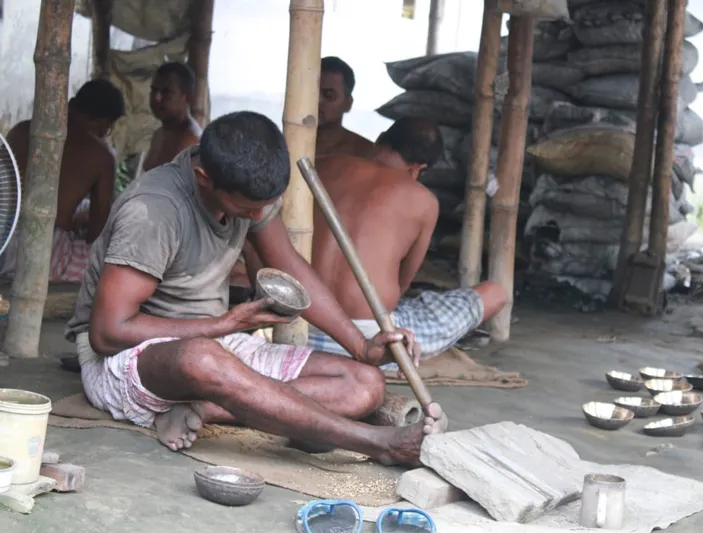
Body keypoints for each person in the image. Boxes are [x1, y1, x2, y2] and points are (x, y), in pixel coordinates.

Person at [64, 111, 445, 466]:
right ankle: (378, 443)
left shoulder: (250, 194)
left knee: (365, 385)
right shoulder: (153, 211)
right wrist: (221, 325)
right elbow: (108, 334)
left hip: (214, 346)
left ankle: (208, 407)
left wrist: (361, 346)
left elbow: (289, 264)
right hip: (128, 360)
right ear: (204, 178)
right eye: (247, 209)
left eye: (264, 207)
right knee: (200, 359)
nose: (256, 217)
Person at [306, 118, 508, 362]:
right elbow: (403, 284)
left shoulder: (324, 165)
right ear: (418, 170)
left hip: (298, 321)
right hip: (371, 340)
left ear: (379, 140)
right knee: (495, 293)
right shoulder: (424, 201)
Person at [0, 79, 124, 282]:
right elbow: (98, 233)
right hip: (43, 255)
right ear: (104, 124)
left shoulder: (21, 130)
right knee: (107, 264)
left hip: (4, 236)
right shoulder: (102, 155)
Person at [141, 62, 202, 172]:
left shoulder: (190, 143)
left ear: (188, 98)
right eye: (154, 90)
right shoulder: (160, 133)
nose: (156, 98)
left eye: (166, 92)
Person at [316, 56, 374, 159]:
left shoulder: (366, 153)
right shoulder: (286, 145)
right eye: (312, 94)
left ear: (348, 103)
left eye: (329, 95)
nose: (318, 101)